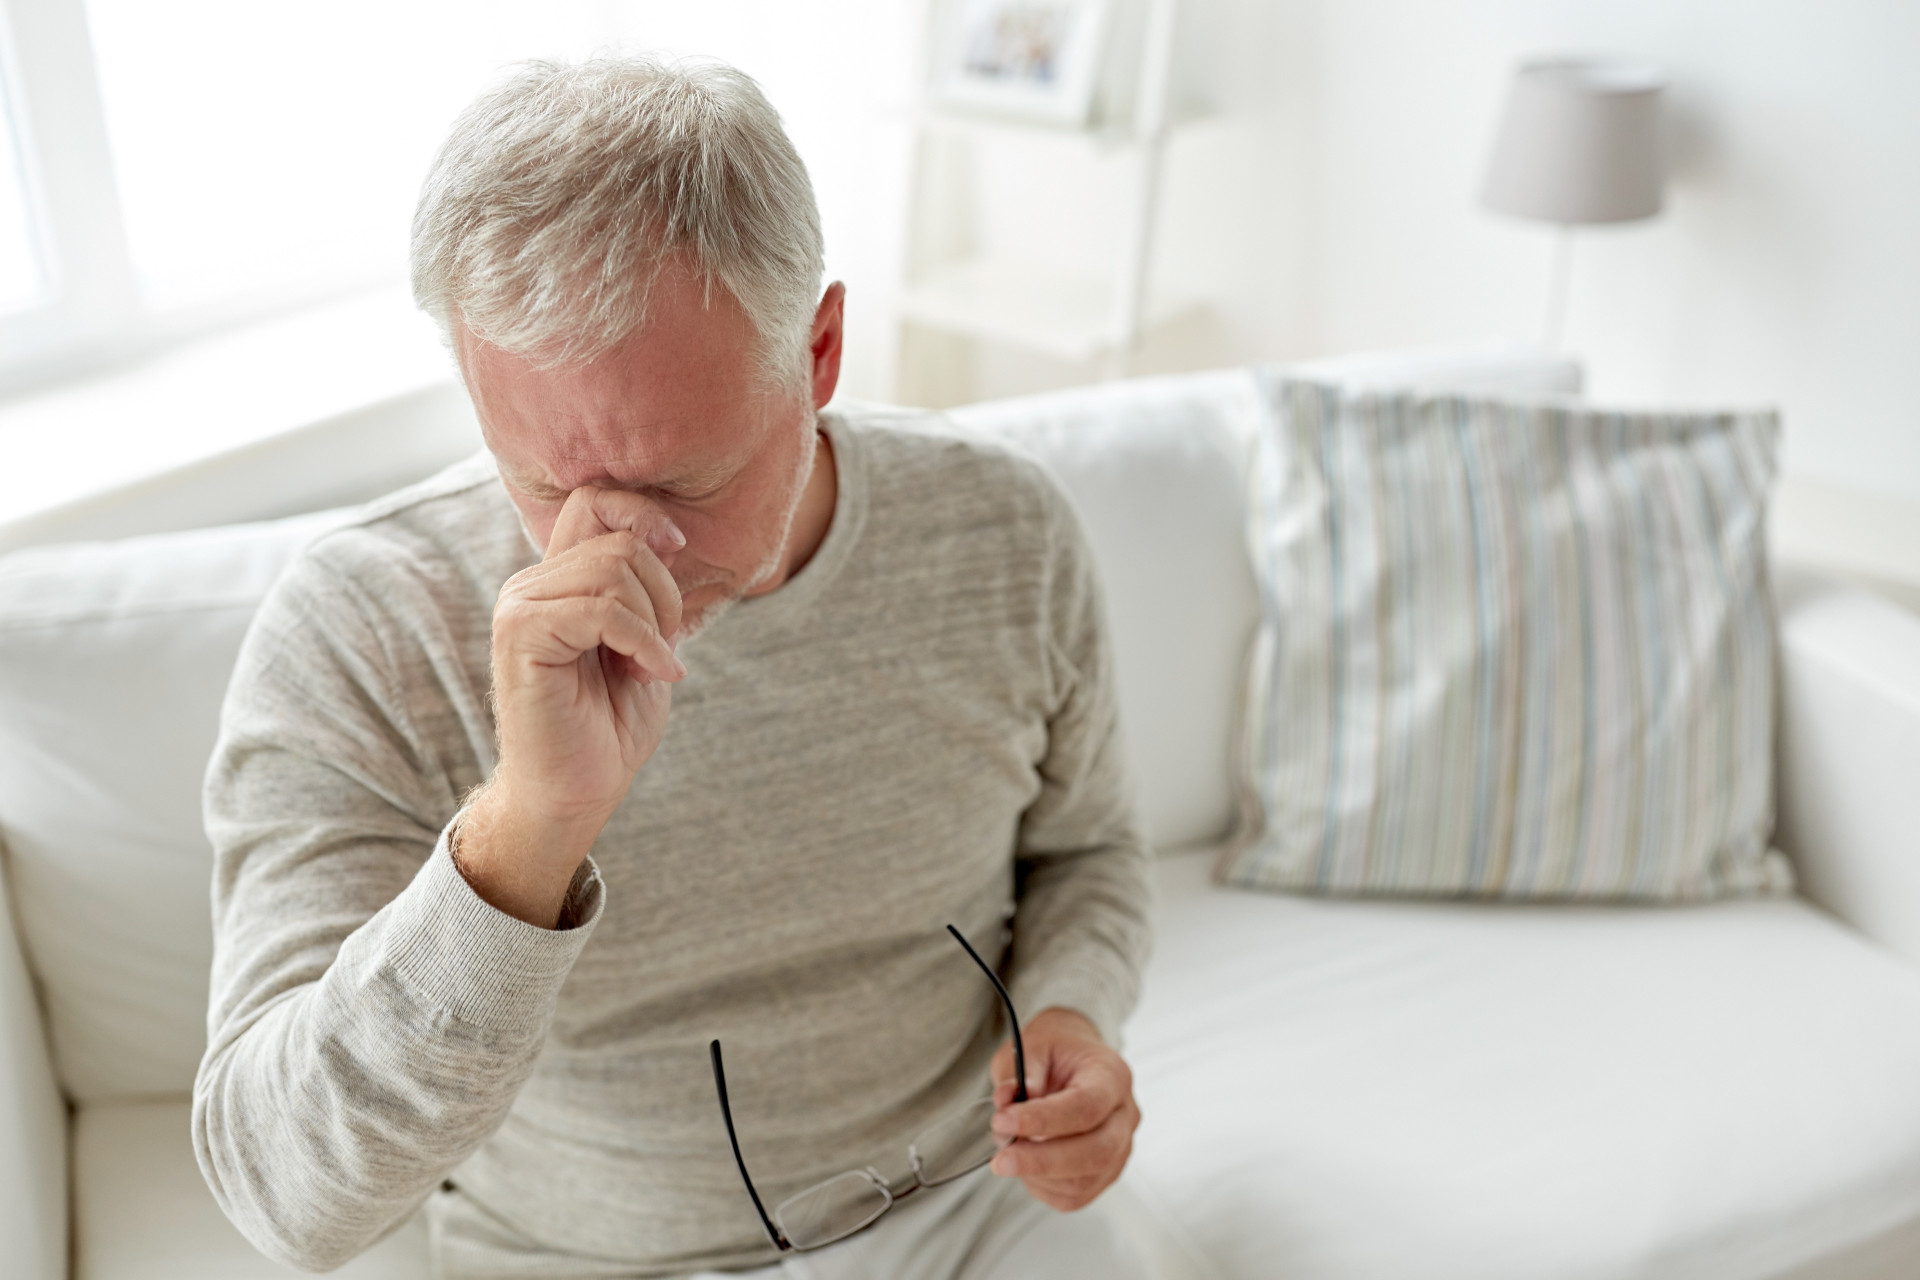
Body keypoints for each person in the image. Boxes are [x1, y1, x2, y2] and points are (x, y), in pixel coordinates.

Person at [193, 55, 1153, 1280]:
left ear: (819, 351)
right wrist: (527, 829)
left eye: (679, 483)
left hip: (971, 1210)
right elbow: (282, 1197)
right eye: (543, 481)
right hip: (584, 1256)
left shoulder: (1002, 529)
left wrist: (1075, 1010)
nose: (612, 550)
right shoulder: (359, 628)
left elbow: (1091, 848)